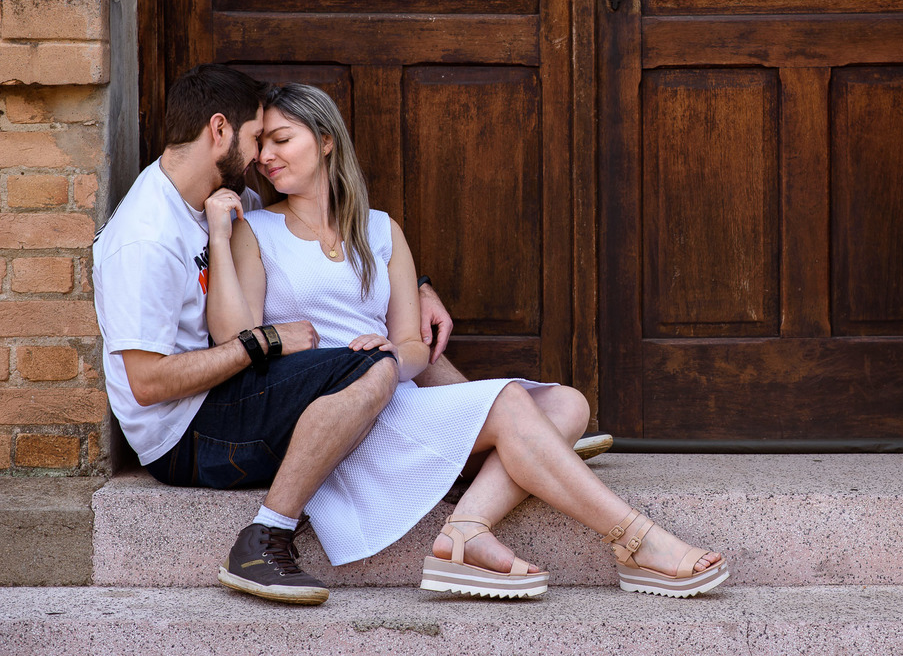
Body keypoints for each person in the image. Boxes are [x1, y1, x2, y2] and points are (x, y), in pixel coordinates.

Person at [205, 82, 730, 599]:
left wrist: (390, 352)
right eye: (263, 144)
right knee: (511, 403)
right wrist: (221, 239)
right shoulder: (257, 230)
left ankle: (466, 527)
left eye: (282, 139)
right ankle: (637, 539)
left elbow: (412, 345)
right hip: (338, 416)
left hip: (395, 393)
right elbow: (235, 337)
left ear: (325, 141)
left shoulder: (380, 229)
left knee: (568, 404)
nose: (266, 157)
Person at [92, 64, 449, 605]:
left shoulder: (224, 194)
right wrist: (263, 342)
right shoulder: (145, 240)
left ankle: (478, 434)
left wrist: (414, 285)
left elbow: (324, 233)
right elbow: (147, 384)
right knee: (372, 365)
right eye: (257, 137)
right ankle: (265, 538)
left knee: (381, 360)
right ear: (219, 131)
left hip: (222, 396)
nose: (262, 155)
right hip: (182, 436)